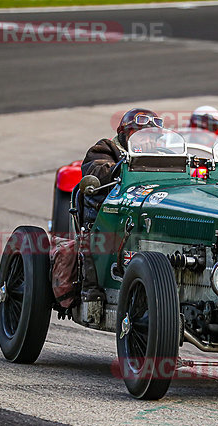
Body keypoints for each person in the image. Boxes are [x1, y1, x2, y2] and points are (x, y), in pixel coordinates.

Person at [77, 108, 163, 301]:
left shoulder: (166, 159)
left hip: (147, 218)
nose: (147, 140)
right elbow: (96, 170)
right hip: (109, 220)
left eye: (152, 137)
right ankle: (93, 292)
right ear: (124, 134)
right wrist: (120, 168)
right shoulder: (106, 150)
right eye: (140, 135)